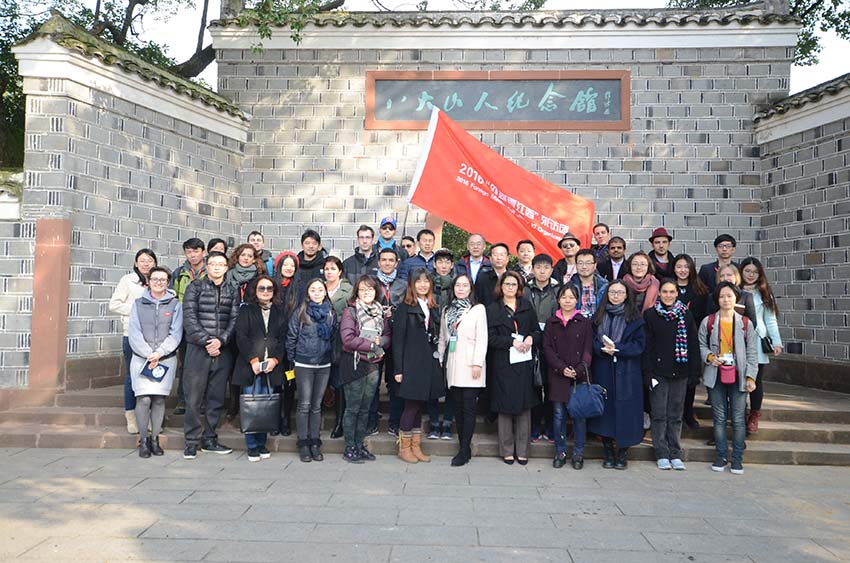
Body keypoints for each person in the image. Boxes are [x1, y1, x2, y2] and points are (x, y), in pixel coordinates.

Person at [181, 251, 240, 459]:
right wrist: (207, 341)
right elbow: (189, 319)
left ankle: (209, 438)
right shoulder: (195, 288)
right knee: (193, 397)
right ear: (206, 266)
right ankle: (191, 441)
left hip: (222, 350)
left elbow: (234, 319)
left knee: (215, 398)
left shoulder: (232, 290)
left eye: (221, 264)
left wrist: (221, 341)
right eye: (213, 264)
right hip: (198, 349)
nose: (216, 267)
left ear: (226, 268)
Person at [700, 281, 759, 475]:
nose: (726, 300)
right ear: (717, 299)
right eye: (722, 296)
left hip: (739, 374)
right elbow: (701, 344)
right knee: (719, 418)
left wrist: (751, 376)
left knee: (739, 419)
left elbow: (752, 352)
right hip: (716, 374)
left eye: (730, 296)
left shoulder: (745, 323)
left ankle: (737, 459)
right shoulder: (708, 321)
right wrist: (710, 357)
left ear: (736, 298)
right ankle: (721, 455)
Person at [643, 279, 701, 471]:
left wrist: (694, 372)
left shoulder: (685, 315)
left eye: (672, 292)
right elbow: (647, 347)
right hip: (658, 372)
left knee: (675, 414)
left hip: (681, 371)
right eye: (665, 292)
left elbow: (693, 344)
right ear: (659, 293)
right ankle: (661, 452)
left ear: (677, 294)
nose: (668, 295)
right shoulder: (651, 315)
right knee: (659, 414)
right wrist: (648, 372)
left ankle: (675, 453)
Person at [588, 280, 646, 470]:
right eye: (612, 292)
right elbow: (592, 341)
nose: (615, 296)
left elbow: (639, 345)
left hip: (627, 372)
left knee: (626, 413)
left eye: (620, 292)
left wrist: (618, 349)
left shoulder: (635, 318)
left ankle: (622, 453)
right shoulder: (599, 315)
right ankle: (608, 452)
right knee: (605, 413)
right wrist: (601, 349)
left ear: (626, 295)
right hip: (603, 368)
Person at [127, 266, 182, 458]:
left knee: (159, 399)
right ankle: (143, 440)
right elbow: (133, 332)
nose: (159, 282)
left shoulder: (175, 304)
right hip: (142, 359)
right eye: (155, 279)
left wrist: (159, 353)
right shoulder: (138, 303)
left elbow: (176, 333)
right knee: (143, 399)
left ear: (168, 282)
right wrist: (148, 353)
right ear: (148, 281)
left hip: (165, 359)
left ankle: (155, 438)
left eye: (163, 279)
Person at [487, 271, 541, 465]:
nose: (510, 287)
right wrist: (511, 341)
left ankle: (523, 450)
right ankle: (507, 449)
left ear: (519, 288)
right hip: (503, 363)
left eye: (513, 284)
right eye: (506, 284)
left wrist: (530, 338)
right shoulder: (493, 309)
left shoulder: (527, 307)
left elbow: (537, 331)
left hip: (524, 364)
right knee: (504, 409)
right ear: (501, 287)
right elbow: (490, 338)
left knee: (524, 408)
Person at [393, 269, 445, 464]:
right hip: (410, 364)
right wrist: (398, 369)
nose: (423, 285)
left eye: (426, 282)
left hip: (427, 363)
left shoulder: (431, 306)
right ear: (412, 285)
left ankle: (416, 446)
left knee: (418, 406)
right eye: (418, 282)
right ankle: (404, 447)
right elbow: (398, 341)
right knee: (410, 406)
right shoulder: (405, 308)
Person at [338, 275, 392, 463]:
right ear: (357, 292)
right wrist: (370, 345)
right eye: (362, 289)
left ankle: (360, 445)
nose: (367, 292)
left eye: (370, 289)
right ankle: (349, 447)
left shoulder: (380, 312)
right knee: (353, 408)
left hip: (373, 364)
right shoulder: (350, 312)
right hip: (354, 364)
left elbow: (387, 336)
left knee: (365, 408)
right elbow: (347, 340)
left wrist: (381, 342)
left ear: (376, 291)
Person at [232, 275, 286, 462]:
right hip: (251, 366)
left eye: (269, 289)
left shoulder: (279, 311)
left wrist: (275, 360)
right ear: (255, 290)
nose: (265, 292)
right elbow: (241, 337)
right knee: (252, 404)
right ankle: (252, 445)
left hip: (271, 366)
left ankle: (262, 442)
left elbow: (282, 339)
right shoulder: (246, 310)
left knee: (266, 405)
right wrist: (253, 360)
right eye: (261, 288)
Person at [438, 274, 487, 467]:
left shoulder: (477, 309)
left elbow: (482, 338)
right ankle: (462, 444)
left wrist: (477, 363)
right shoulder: (447, 310)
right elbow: (444, 336)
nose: (460, 288)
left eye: (464, 285)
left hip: (471, 365)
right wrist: (440, 356)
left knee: (468, 408)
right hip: (453, 364)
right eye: (458, 285)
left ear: (470, 288)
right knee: (457, 408)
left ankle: (465, 449)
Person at [286, 278, 337, 463]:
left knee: (317, 406)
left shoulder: (330, 313)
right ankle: (303, 442)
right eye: (313, 290)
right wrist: (293, 361)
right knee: (304, 405)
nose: (317, 293)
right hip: (304, 364)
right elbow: (291, 337)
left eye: (320, 290)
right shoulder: (300, 312)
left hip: (324, 364)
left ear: (325, 292)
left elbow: (333, 338)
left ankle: (315, 442)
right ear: (308, 293)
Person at [543, 285, 593, 469]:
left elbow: (588, 350)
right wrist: (561, 368)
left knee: (579, 416)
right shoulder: (551, 322)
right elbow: (547, 348)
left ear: (577, 300)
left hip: (578, 376)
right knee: (558, 415)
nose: (567, 300)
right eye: (564, 297)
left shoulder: (584, 322)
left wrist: (580, 369)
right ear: (558, 300)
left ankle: (579, 453)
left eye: (571, 297)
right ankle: (560, 451)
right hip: (558, 375)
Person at [109, 248, 158, 434]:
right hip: (132, 335)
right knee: (133, 376)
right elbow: (114, 304)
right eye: (142, 260)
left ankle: (149, 417)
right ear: (136, 263)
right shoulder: (128, 281)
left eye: (150, 260)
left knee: (151, 377)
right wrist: (139, 309)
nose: (146, 264)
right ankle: (131, 416)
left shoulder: (158, 280)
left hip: (154, 338)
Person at [740, 257, 783, 434]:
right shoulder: (735, 290)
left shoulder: (764, 292)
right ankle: (739, 415)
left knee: (755, 381)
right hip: (737, 340)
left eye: (755, 272)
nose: (751, 275)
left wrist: (776, 341)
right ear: (741, 271)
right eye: (748, 271)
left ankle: (754, 416)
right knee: (738, 380)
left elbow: (770, 319)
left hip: (757, 340)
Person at [372, 247, 408, 436]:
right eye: (383, 260)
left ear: (396, 263)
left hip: (396, 338)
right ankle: (372, 420)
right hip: (375, 338)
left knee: (395, 383)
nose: (387, 263)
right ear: (378, 262)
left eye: (391, 260)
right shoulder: (371, 283)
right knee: (373, 380)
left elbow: (407, 307)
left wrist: (393, 312)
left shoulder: (403, 284)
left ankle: (395, 421)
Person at [672, 254, 710, 429]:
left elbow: (704, 316)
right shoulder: (668, 288)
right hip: (671, 339)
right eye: (679, 266)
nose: (682, 270)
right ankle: (675, 412)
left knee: (691, 378)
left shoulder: (699, 290)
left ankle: (688, 412)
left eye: (686, 267)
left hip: (692, 339)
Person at [170, 238, 206, 416]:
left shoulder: (211, 271)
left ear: (203, 252)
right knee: (185, 364)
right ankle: (183, 400)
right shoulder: (179, 273)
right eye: (189, 252)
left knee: (205, 364)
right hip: (184, 325)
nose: (192, 255)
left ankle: (201, 401)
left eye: (196, 251)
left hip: (207, 324)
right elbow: (172, 298)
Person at [526, 253, 559, 442]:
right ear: (532, 269)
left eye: (546, 267)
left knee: (550, 385)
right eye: (538, 267)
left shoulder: (557, 290)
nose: (542, 271)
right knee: (534, 385)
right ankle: (536, 425)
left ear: (551, 270)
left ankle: (551, 426)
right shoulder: (526, 290)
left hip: (552, 343)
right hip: (530, 341)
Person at [428, 248, 457, 440]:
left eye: (447, 262)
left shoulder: (458, 284)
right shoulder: (427, 283)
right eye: (440, 262)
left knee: (451, 382)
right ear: (435, 264)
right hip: (431, 337)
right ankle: (432, 422)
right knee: (432, 381)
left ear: (452, 265)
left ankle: (447, 422)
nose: (444, 266)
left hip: (452, 338)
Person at [324, 256, 353, 439]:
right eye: (326, 269)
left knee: (339, 381)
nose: (329, 272)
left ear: (340, 271)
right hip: (320, 339)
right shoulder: (318, 287)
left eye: (333, 269)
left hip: (340, 340)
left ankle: (339, 421)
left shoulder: (348, 290)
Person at [271, 250, 299, 435]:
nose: (288, 268)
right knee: (274, 382)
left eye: (292, 265)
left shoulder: (299, 287)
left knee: (289, 382)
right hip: (272, 343)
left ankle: (286, 418)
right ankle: (273, 420)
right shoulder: (270, 286)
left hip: (291, 344)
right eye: (285, 264)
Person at [569, 249, 608, 319]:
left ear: (595, 265)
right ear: (576, 265)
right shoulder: (570, 286)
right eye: (580, 263)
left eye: (588, 263)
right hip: (576, 325)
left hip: (598, 326)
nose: (584, 267)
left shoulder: (604, 286)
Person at [475, 242, 510, 307]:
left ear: (507, 258)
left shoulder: (514, 277)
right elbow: (477, 300)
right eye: (495, 255)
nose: (499, 258)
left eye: (502, 255)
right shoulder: (482, 278)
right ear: (490, 259)